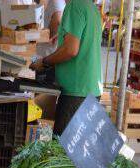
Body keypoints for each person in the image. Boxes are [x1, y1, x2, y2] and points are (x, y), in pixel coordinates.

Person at [29, 0, 101, 133]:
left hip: (76, 91)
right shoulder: (91, 7)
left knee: (64, 147)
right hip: (90, 88)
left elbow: (71, 50)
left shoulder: (74, 6)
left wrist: (44, 62)